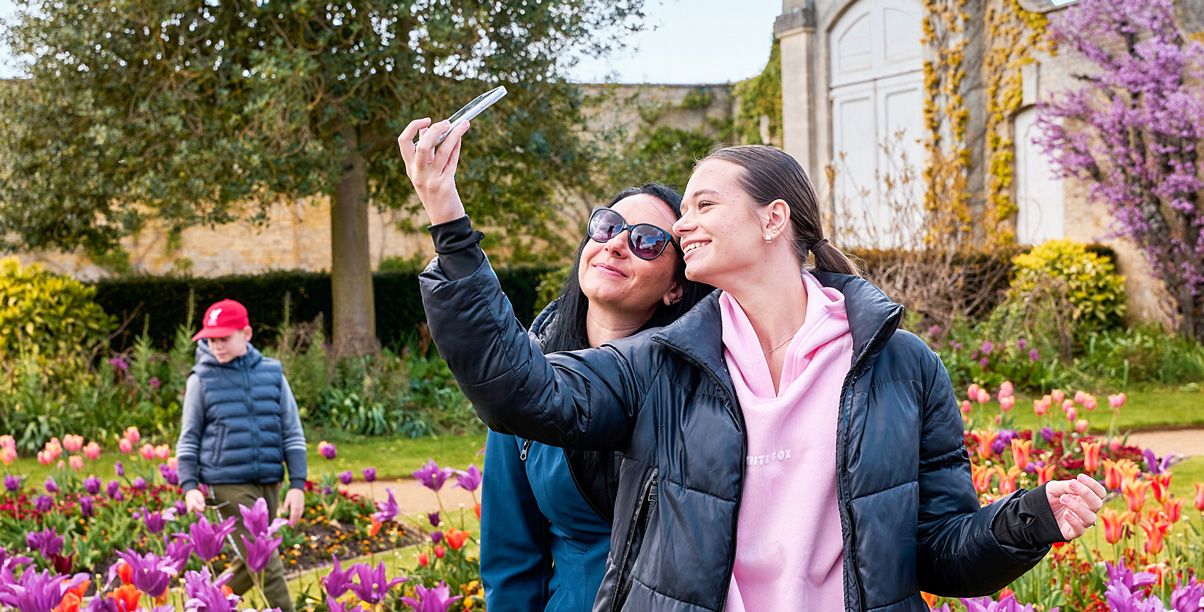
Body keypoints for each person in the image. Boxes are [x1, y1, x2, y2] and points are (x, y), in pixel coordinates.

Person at [401, 118, 1104, 612]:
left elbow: (937, 552)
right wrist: (449, 220)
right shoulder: (660, 366)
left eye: (704, 203)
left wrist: (1024, 521)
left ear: (773, 221)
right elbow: (519, 390)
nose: (683, 224)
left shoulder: (902, 367)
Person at [440, 183, 711, 612]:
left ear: (676, 287)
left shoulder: (698, 384)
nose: (617, 244)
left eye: (647, 240)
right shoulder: (528, 372)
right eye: (607, 227)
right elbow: (510, 558)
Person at [176, 299, 306, 612]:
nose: (216, 345)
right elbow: (188, 438)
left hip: (268, 482)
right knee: (266, 558)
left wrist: (298, 484)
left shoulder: (273, 373)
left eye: (224, 337)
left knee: (252, 561)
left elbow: (292, 431)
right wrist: (190, 485)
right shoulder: (201, 380)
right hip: (225, 482)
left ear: (245, 333)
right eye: (210, 339)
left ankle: (201, 604)